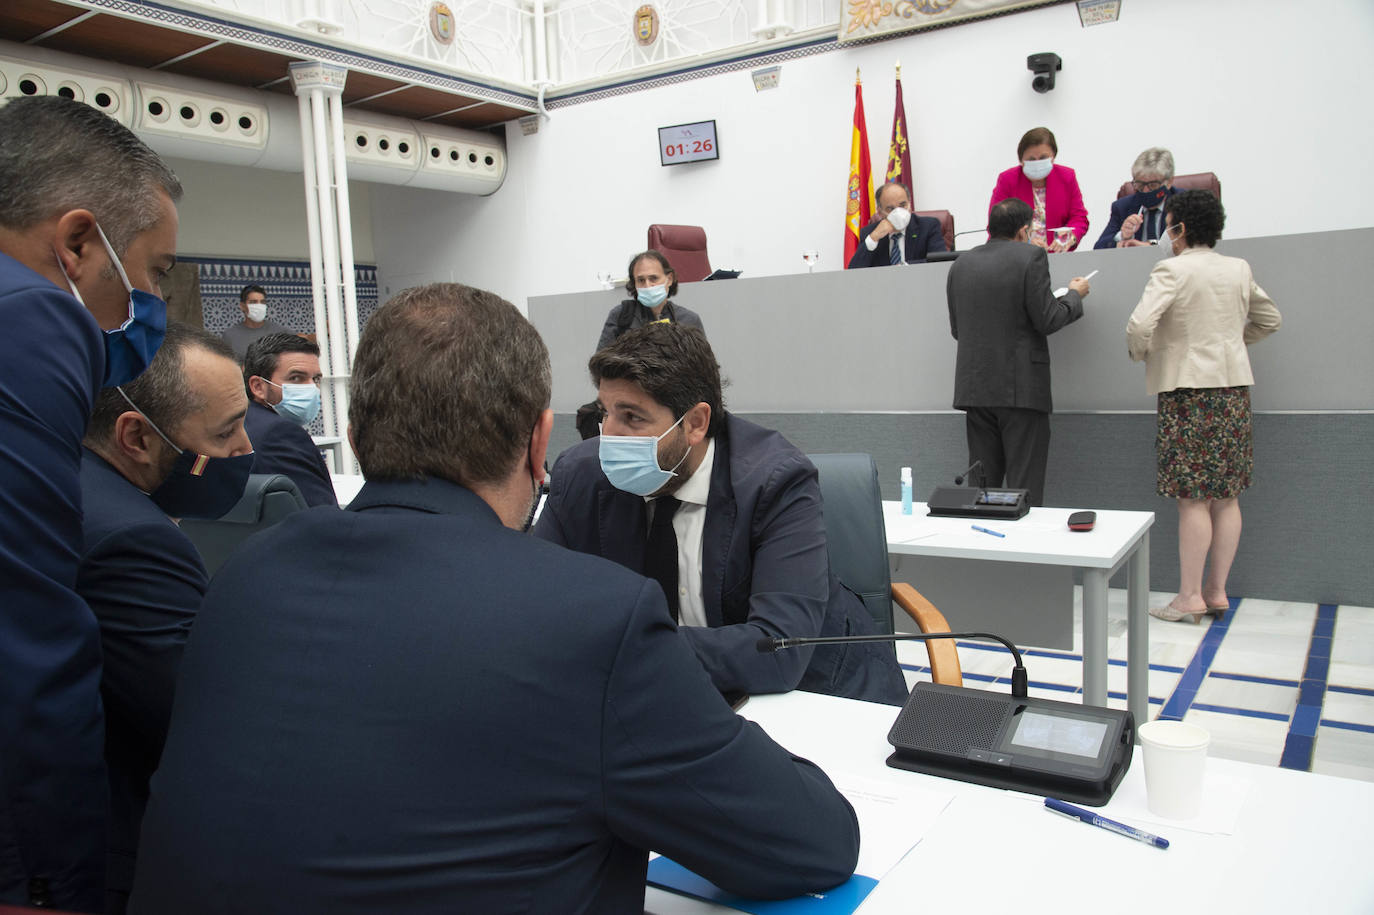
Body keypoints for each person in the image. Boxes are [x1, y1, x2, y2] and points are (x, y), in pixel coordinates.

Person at [131, 283, 859, 913]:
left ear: (351, 437)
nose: (610, 437)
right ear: (539, 445)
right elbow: (812, 840)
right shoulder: (592, 625)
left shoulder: (242, 577)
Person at [0, 95, 181, 912]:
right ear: (78, 242)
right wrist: (47, 882)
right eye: (151, 273)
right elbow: (26, 628)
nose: (150, 308)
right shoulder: (33, 318)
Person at [536, 323, 909, 707]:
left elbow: (778, 648)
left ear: (696, 423)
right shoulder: (581, 474)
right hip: (653, 700)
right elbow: (534, 600)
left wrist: (622, 646)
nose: (608, 435)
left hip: (816, 699)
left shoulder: (776, 481)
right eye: (605, 412)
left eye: (631, 417)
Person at [78, 323, 252, 914]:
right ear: (136, 436)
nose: (245, 449)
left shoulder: (74, 486)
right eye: (227, 430)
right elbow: (196, 716)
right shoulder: (134, 539)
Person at [1127, 191, 1281, 623]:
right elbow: (1271, 320)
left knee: (1192, 499)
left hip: (1187, 394)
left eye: (1169, 224)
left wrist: (1148, 353)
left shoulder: (1171, 269)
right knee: (1227, 497)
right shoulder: (1238, 269)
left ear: (1180, 229)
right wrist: (1229, 342)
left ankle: (1189, 596)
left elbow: (1140, 324)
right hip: (1233, 392)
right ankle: (1216, 592)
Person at [947, 198, 1090, 507]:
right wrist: (1074, 297)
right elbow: (1049, 318)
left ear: (990, 228)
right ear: (1024, 231)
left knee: (981, 490)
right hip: (1022, 390)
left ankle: (986, 550)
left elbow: (958, 330)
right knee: (1024, 490)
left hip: (975, 390)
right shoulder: (1032, 257)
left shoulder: (961, 263)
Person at [242, 333, 338, 507]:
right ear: (258, 387)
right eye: (296, 378)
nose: (311, 388)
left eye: (315, 379)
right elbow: (322, 516)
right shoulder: (281, 434)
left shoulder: (241, 424)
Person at [987, 126, 1089, 252]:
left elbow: (1079, 218)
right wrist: (1025, 243)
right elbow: (996, 226)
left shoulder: (1067, 177)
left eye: (1043, 158)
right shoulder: (1008, 179)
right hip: (1017, 257)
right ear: (1021, 160)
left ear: (1053, 157)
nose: (1037, 163)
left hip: (1057, 255)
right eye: (1031, 159)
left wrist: (1071, 237)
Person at [595, 249, 704, 352]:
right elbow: (599, 365)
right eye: (641, 280)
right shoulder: (620, 315)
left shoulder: (689, 320)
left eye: (654, 278)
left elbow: (704, 366)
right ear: (634, 283)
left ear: (669, 279)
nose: (648, 285)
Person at [847, 181, 949, 267]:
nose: (898, 212)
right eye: (891, 208)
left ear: (910, 204)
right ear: (880, 212)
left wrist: (902, 268)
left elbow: (940, 264)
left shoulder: (928, 227)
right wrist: (873, 238)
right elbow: (854, 272)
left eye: (903, 205)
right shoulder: (870, 232)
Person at [1094, 147, 1180, 249]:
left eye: (1153, 185)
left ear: (1169, 182)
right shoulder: (1123, 207)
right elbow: (1098, 250)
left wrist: (1151, 246)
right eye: (1139, 184)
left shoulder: (1184, 204)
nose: (1145, 191)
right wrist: (1122, 235)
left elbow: (1193, 245)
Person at [221, 283, 291, 360]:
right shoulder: (230, 336)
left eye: (262, 302)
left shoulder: (281, 332)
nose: (259, 306)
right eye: (253, 302)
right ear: (242, 306)